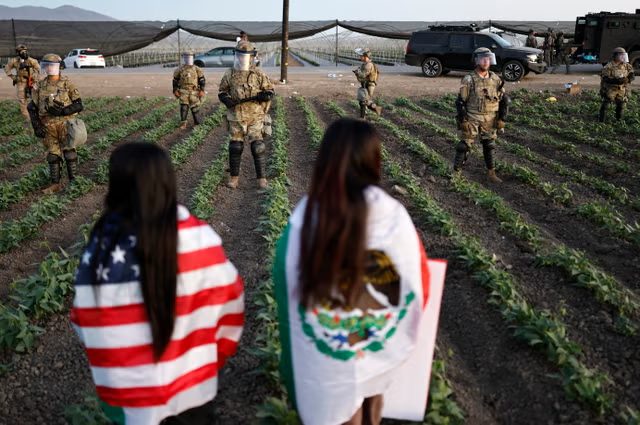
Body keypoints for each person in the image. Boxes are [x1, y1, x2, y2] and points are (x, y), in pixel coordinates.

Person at [71, 142, 244, 425]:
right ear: (168, 182)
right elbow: (231, 306)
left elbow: (84, 319)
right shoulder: (199, 239)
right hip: (194, 385)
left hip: (131, 397)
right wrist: (213, 356)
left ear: (115, 187)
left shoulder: (101, 248)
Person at [273, 118, 431, 425]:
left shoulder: (306, 218)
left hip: (329, 360)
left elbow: (284, 279)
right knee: (373, 399)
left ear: (325, 161)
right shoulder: (394, 217)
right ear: (374, 161)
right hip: (378, 343)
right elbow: (418, 279)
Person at [218, 41, 274, 189]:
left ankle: (262, 179)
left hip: (255, 115)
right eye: (240, 55)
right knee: (235, 147)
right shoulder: (230, 73)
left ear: (251, 57)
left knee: (258, 147)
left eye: (246, 56)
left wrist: (265, 95)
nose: (243, 58)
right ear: (236, 56)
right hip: (236, 115)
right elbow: (222, 91)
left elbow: (270, 90)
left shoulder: (258, 74)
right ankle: (234, 179)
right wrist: (226, 99)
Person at [27, 53, 83, 194]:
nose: (49, 68)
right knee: (53, 155)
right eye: (46, 65)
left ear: (59, 67)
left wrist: (63, 111)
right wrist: (36, 126)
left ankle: (73, 182)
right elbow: (32, 107)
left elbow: (78, 104)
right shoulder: (39, 86)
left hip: (65, 125)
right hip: (48, 126)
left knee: (69, 153)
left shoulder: (67, 83)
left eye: (52, 65)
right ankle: (55, 184)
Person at [454, 47, 510, 183]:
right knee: (464, 146)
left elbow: (504, 99)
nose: (486, 62)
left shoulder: (496, 79)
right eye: (483, 59)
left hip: (490, 118)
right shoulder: (469, 79)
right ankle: (456, 173)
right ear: (476, 61)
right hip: (472, 117)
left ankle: (491, 173)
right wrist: (463, 120)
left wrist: (502, 118)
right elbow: (460, 101)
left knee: (489, 145)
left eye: (488, 59)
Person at [4, 44, 40, 126]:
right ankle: (27, 118)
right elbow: (7, 68)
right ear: (18, 53)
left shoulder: (32, 60)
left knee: (35, 98)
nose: (24, 53)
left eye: (25, 51)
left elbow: (38, 69)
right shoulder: (14, 61)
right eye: (21, 52)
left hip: (32, 82)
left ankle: (37, 115)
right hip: (21, 82)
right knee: (22, 100)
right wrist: (13, 77)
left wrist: (33, 77)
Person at [599, 47, 635, 122]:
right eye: (621, 55)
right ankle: (601, 120)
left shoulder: (626, 65)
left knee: (621, 105)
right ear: (615, 56)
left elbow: (632, 74)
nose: (623, 57)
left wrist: (628, 79)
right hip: (610, 89)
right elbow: (605, 78)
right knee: (606, 105)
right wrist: (616, 81)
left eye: (623, 55)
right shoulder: (609, 66)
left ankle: (619, 120)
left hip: (621, 89)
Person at [173, 50, 205, 129]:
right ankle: (183, 123)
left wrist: (202, 90)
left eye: (190, 57)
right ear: (184, 58)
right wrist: (175, 90)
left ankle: (197, 123)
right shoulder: (180, 69)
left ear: (193, 58)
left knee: (195, 108)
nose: (188, 59)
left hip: (194, 91)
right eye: (186, 57)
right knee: (184, 107)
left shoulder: (197, 69)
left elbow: (202, 80)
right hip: (183, 91)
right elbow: (175, 80)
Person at [353, 47, 382, 118]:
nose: (360, 57)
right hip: (366, 84)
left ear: (366, 56)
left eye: (361, 56)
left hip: (369, 85)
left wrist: (357, 72)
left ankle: (363, 117)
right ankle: (369, 111)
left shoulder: (368, 65)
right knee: (364, 100)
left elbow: (363, 75)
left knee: (364, 101)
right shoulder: (365, 64)